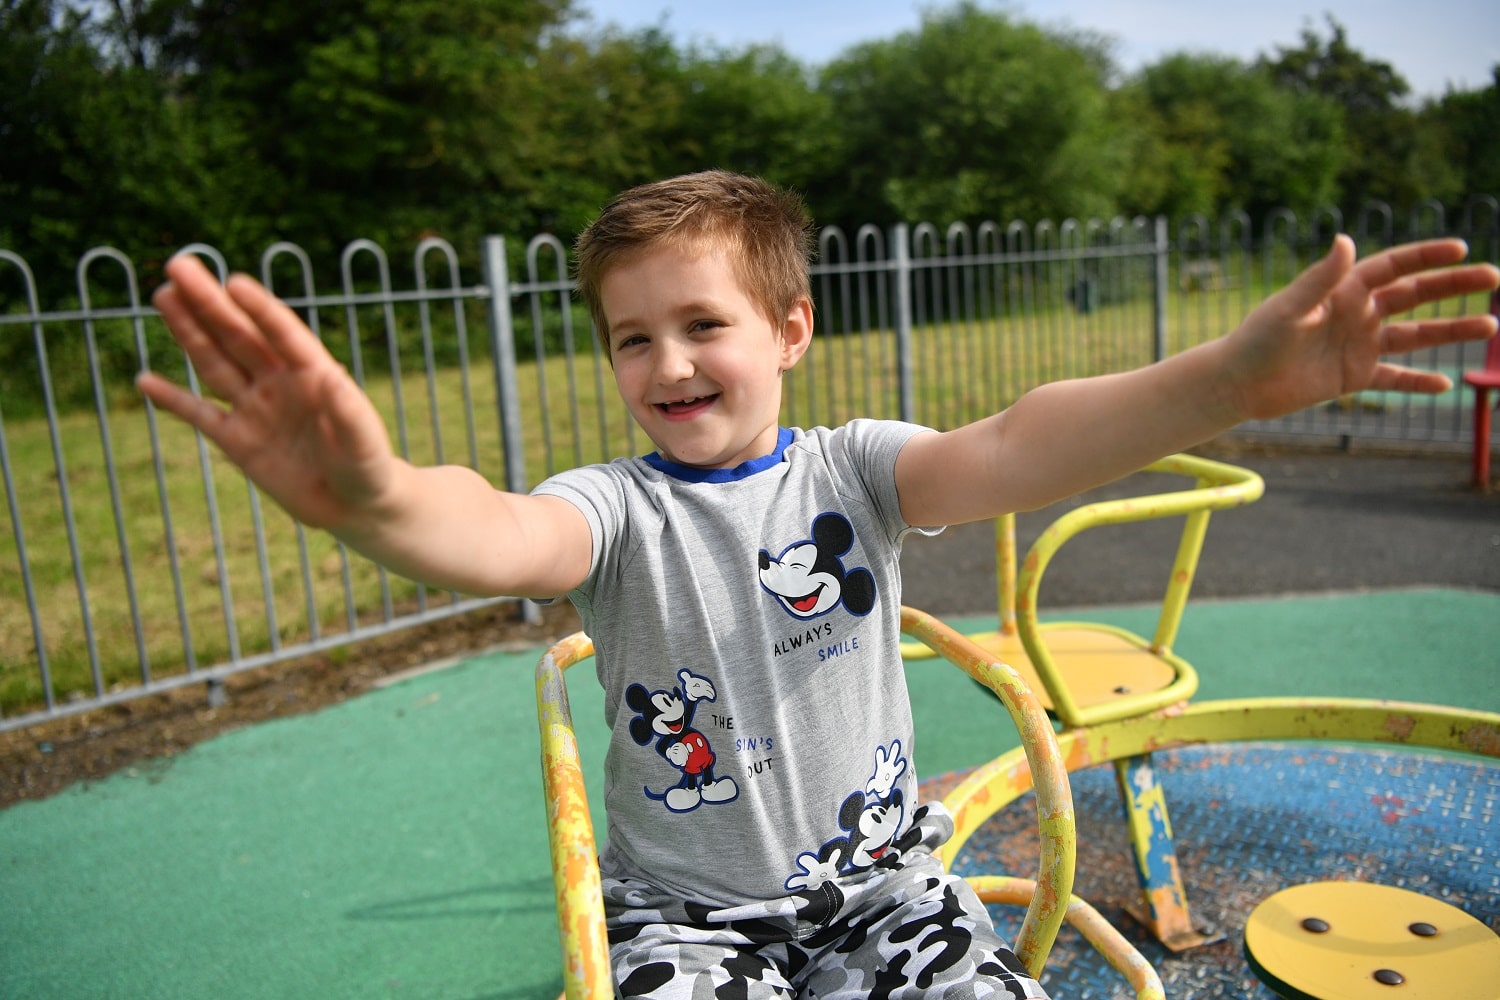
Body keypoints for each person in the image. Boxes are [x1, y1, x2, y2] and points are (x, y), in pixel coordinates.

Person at [139, 170, 1499, 999]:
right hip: (692, 919)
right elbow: (494, 533)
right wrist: (378, 503)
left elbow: (1024, 443)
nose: (667, 362)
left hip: (889, 898)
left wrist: (1226, 383)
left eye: (702, 324)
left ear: (791, 329)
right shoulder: (612, 510)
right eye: (632, 338)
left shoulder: (855, 471)